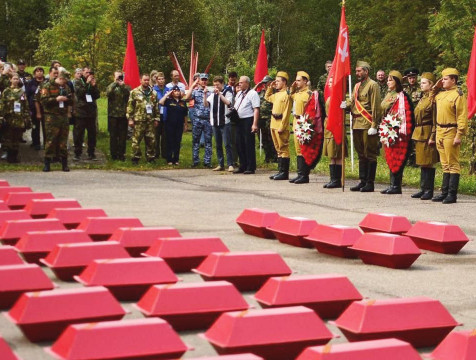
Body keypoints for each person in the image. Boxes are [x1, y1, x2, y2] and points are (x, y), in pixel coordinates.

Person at [432, 68, 468, 204]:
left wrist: (459, 134)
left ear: (453, 80)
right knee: (444, 164)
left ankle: (452, 194)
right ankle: (444, 192)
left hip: (451, 131)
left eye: (445, 79)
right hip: (440, 130)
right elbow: (431, 99)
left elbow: (462, 116)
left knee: (453, 163)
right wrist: (436, 87)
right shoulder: (440, 94)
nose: (443, 81)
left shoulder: (458, 95)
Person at [347, 60, 382, 192]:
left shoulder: (373, 85)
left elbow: (376, 106)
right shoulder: (356, 86)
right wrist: (346, 104)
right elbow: (352, 101)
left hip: (367, 124)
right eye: (356, 71)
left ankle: (370, 182)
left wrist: (374, 124)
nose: (357, 73)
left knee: (370, 153)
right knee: (360, 154)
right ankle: (362, 181)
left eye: (359, 71)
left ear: (366, 71)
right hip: (356, 123)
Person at [379, 71, 414, 194]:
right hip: (388, 128)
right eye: (387, 80)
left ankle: (396, 185)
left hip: (397, 130)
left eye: (391, 80)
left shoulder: (401, 95)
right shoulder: (388, 94)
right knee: (390, 156)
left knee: (397, 156)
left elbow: (405, 114)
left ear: (397, 82)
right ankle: (392, 184)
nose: (388, 82)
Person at [410, 72, 439, 200]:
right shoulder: (423, 98)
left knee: (428, 162)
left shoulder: (433, 99)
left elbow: (435, 119)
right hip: (419, 131)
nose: (421, 85)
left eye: (424, 83)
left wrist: (432, 136)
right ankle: (423, 188)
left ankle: (428, 190)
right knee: (422, 162)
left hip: (427, 131)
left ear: (431, 84)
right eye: (421, 82)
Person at [39, 69, 73, 172]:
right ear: (58, 78)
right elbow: (43, 101)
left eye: (65, 79)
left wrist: (67, 99)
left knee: (63, 141)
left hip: (63, 116)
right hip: (51, 117)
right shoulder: (47, 86)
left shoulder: (66, 87)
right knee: (51, 140)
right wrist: (56, 99)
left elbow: (72, 100)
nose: (64, 81)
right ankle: (47, 163)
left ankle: (64, 163)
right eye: (63, 79)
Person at [265, 71, 292, 180]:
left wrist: (283, 126)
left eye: (278, 81)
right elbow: (267, 97)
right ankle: (280, 171)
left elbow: (286, 111)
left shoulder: (287, 94)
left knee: (283, 148)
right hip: (273, 123)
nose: (276, 83)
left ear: (284, 82)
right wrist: (270, 88)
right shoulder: (276, 94)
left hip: (281, 123)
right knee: (278, 149)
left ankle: (284, 173)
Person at [127, 74, 159, 164]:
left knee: (151, 140)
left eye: (147, 80)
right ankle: (135, 157)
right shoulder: (134, 92)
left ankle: (150, 157)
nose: (146, 82)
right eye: (144, 80)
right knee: (136, 140)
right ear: (140, 80)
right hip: (139, 120)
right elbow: (130, 106)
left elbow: (156, 107)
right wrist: (130, 118)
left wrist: (157, 119)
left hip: (150, 120)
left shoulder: (153, 93)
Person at [205, 75, 234, 171]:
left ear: (222, 84)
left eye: (217, 85)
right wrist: (205, 94)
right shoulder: (212, 94)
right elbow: (206, 104)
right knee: (218, 145)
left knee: (227, 144)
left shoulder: (227, 91)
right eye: (214, 85)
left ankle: (230, 164)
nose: (216, 87)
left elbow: (228, 103)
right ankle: (220, 164)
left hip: (225, 122)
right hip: (215, 122)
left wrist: (220, 94)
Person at [323, 76, 347, 188]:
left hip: (336, 126)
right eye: (329, 82)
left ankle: (337, 180)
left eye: (332, 82)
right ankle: (333, 178)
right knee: (331, 154)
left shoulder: (339, 96)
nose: (330, 84)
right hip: (329, 125)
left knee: (337, 153)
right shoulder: (330, 95)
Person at [0, 73, 30, 163]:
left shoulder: (22, 92)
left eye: (17, 79)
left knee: (16, 138)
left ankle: (14, 157)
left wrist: (26, 117)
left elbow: (25, 105)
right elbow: (2, 104)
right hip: (9, 118)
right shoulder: (6, 91)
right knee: (8, 138)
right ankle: (9, 158)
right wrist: (1, 116)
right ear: (10, 80)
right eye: (14, 79)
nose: (16, 80)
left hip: (19, 118)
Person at [289, 71, 313, 184]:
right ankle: (300, 174)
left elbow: (312, 109)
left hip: (304, 121)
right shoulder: (297, 93)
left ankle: (305, 175)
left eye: (299, 80)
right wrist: (292, 87)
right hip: (295, 120)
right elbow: (290, 95)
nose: (296, 82)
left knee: (304, 149)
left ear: (305, 81)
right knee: (298, 148)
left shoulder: (309, 93)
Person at [185, 73, 212, 167]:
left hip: (208, 119)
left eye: (206, 79)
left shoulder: (210, 92)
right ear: (199, 81)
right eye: (202, 79)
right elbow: (187, 97)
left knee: (208, 142)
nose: (204, 81)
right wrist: (192, 85)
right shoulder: (195, 92)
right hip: (197, 119)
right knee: (195, 141)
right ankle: (195, 161)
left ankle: (207, 162)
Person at [233, 76, 260, 174]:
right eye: (239, 82)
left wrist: (255, 124)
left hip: (248, 120)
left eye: (241, 82)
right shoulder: (239, 93)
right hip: (239, 120)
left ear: (247, 83)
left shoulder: (253, 93)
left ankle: (250, 166)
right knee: (239, 143)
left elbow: (256, 109)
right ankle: (242, 165)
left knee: (248, 143)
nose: (239, 84)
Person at [73, 67, 100, 161]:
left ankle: (91, 153)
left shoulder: (92, 81)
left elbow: (97, 95)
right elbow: (80, 93)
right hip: (81, 112)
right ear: (82, 73)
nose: (88, 74)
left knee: (92, 134)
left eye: (90, 72)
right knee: (79, 134)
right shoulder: (78, 81)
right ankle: (77, 153)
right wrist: (87, 83)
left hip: (91, 112)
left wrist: (93, 86)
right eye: (86, 72)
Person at [159, 85, 188, 165]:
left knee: (177, 142)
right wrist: (167, 95)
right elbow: (161, 102)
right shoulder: (169, 101)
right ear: (172, 92)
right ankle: (169, 159)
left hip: (179, 125)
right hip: (170, 124)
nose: (177, 92)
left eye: (178, 91)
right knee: (170, 141)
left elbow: (185, 114)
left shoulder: (183, 102)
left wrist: (185, 124)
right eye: (175, 91)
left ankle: (176, 159)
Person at [106, 70, 130, 161]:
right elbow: (108, 93)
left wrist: (122, 85)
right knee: (113, 136)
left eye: (120, 76)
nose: (119, 78)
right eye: (117, 77)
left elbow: (129, 94)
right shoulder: (111, 86)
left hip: (123, 115)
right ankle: (113, 154)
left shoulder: (126, 87)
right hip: (113, 115)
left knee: (123, 136)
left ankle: (121, 154)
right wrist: (115, 83)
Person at [255, 75, 277, 163]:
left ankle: (275, 157)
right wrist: (257, 85)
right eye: (264, 83)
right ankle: (268, 157)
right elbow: (250, 94)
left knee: (271, 138)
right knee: (263, 139)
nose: (265, 85)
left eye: (266, 83)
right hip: (261, 118)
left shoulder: (275, 92)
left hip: (270, 118)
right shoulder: (260, 92)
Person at [25, 66, 45, 150]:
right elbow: (27, 94)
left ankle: (47, 143)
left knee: (45, 126)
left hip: (44, 107)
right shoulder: (30, 83)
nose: (39, 72)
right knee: (35, 126)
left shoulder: (46, 82)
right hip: (33, 107)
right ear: (34, 73)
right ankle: (36, 142)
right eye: (37, 71)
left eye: (41, 71)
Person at [153, 71, 167, 159]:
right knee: (156, 135)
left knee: (165, 136)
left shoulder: (168, 90)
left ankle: (165, 154)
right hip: (157, 115)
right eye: (159, 79)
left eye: (162, 79)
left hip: (165, 114)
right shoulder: (153, 90)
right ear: (156, 80)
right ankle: (156, 153)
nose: (161, 81)